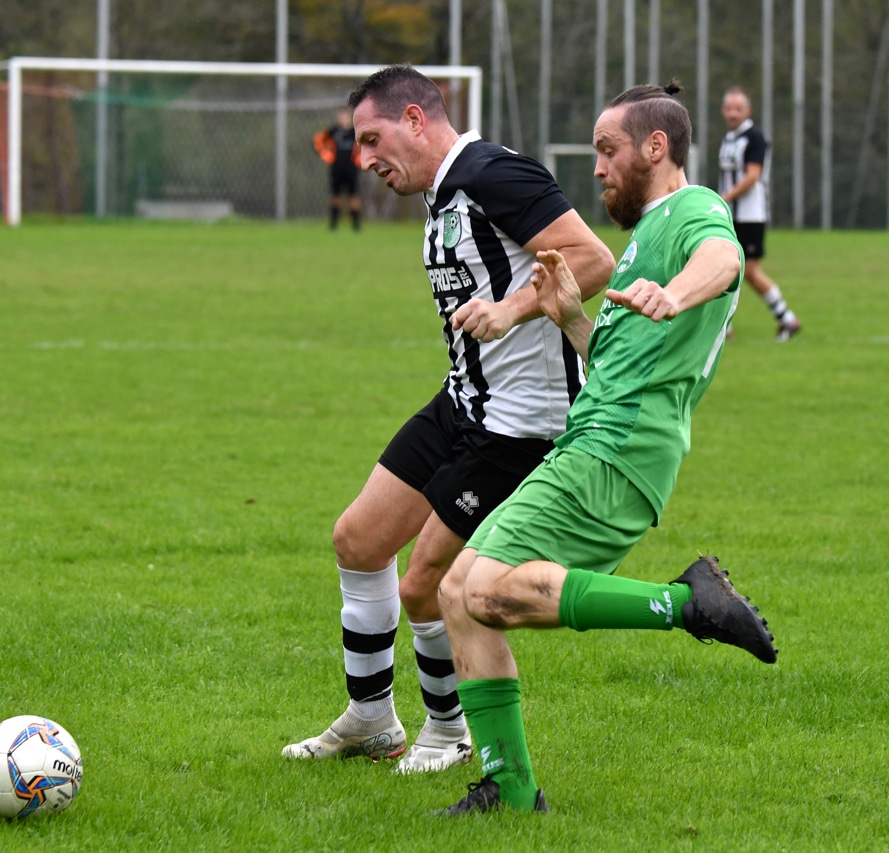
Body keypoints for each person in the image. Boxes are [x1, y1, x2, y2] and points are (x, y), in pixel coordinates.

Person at [435, 81, 777, 815]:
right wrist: (570, 319)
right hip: (594, 439)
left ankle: (686, 604)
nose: (597, 167)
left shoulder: (691, 209)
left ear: (656, 147)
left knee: (487, 590)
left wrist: (678, 293)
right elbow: (619, 366)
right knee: (458, 593)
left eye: (608, 150)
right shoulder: (642, 240)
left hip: (616, 452)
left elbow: (722, 256)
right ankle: (510, 790)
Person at [281, 65, 616, 774]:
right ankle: (372, 719)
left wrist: (511, 310)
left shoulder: (493, 173)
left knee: (424, 581)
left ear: (414, 119)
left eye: (372, 139)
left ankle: (448, 730)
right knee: (358, 539)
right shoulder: (441, 194)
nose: (364, 159)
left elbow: (592, 258)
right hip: (463, 401)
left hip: (522, 423)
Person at [718, 86, 802, 341]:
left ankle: (787, 319)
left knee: (750, 271)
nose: (733, 113)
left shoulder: (755, 138)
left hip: (750, 216)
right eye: (729, 108)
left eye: (738, 108)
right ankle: (723, 327)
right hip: (730, 215)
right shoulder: (729, 138)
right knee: (723, 267)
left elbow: (752, 176)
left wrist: (725, 197)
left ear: (748, 111)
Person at [313, 108, 362, 231]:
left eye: (345, 116)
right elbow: (317, 140)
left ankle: (356, 225)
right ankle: (333, 224)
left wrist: (359, 159)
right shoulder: (333, 131)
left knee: (353, 195)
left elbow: (365, 145)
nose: (343, 118)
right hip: (336, 168)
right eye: (341, 116)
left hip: (351, 168)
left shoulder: (355, 132)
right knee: (336, 196)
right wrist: (327, 155)